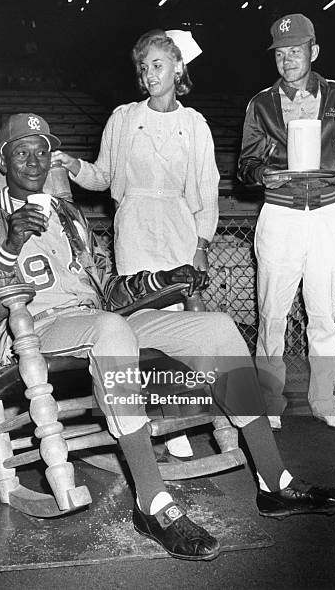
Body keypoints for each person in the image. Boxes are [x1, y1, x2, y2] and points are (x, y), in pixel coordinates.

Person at [0, 113, 335, 562]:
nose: (34, 161)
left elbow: (108, 292)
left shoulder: (69, 215)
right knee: (111, 331)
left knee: (218, 328)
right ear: (3, 161)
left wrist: (161, 279)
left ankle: (275, 482)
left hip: (96, 318)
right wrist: (7, 248)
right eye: (21, 152)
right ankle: (152, 503)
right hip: (32, 330)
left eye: (41, 151)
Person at [51, 28, 218, 458]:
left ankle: (179, 412)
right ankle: (146, 415)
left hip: (179, 229)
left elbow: (207, 191)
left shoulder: (194, 124)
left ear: (179, 67)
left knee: (183, 324)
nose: (149, 75)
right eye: (143, 69)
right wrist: (72, 166)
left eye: (158, 65)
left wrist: (200, 244)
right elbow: (103, 177)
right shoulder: (123, 118)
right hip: (135, 229)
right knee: (138, 323)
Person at [238, 13, 335, 431]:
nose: (287, 60)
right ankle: (268, 398)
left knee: (322, 312)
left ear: (313, 52)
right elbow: (245, 166)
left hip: (325, 213)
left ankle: (323, 397)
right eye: (281, 54)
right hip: (279, 213)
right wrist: (264, 174)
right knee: (272, 313)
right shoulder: (260, 103)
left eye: (295, 51)